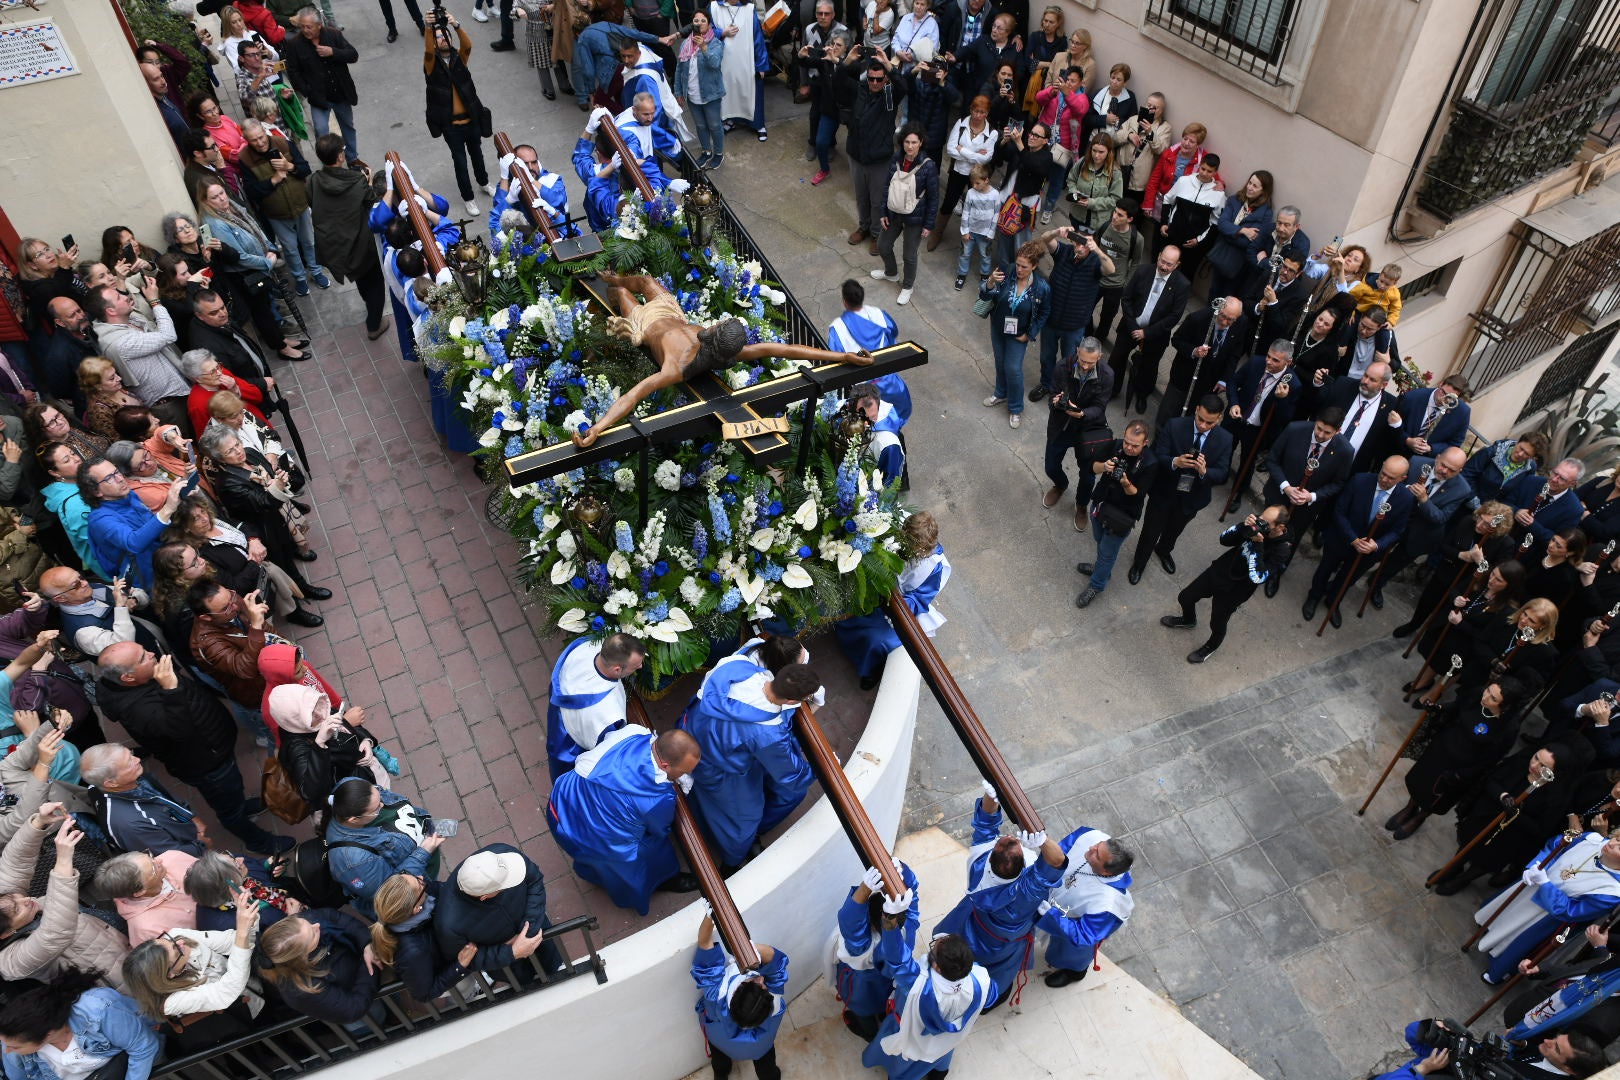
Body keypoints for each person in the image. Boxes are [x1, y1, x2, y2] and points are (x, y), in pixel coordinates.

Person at [572, 272, 872, 447]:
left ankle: (612, 285)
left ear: (710, 338)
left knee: (620, 292)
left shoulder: (675, 369)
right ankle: (616, 275)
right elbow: (781, 349)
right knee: (645, 280)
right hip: (671, 312)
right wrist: (843, 355)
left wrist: (598, 428)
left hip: (645, 322)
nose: (712, 324)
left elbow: (633, 395)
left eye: (714, 327)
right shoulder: (728, 352)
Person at [94, 643, 291, 856]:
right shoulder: (138, 709)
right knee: (227, 807)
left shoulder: (137, 681)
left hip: (214, 748)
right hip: (207, 763)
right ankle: (256, 841)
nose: (151, 654)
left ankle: (240, 805)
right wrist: (170, 689)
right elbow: (180, 730)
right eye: (142, 658)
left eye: (145, 650)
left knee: (232, 792)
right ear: (128, 678)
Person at [680, 652, 821, 870]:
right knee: (744, 819)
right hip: (718, 768)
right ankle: (732, 862)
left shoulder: (736, 665)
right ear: (793, 701)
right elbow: (791, 775)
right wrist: (819, 765)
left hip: (688, 736)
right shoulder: (768, 734)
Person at [934, 783, 1067, 1002]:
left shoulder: (979, 861)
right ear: (1023, 866)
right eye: (1014, 842)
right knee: (1001, 969)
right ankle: (995, 995)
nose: (1009, 835)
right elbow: (1057, 860)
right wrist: (1042, 841)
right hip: (1004, 942)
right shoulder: (1026, 892)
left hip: (974, 926)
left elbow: (985, 824)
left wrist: (991, 796)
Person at [548, 725, 702, 914]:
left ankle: (591, 872)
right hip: (599, 841)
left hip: (563, 805)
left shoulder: (634, 731)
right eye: (683, 771)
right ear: (665, 766)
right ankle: (655, 884)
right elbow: (659, 828)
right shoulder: (658, 798)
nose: (685, 775)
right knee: (649, 852)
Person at [119, 889, 264, 1049]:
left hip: (254, 994)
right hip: (232, 1024)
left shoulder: (176, 936)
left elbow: (234, 941)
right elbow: (226, 992)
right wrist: (243, 933)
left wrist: (248, 913)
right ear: (170, 974)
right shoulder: (170, 1002)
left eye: (167, 941)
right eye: (176, 950)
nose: (180, 943)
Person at [0, 809, 128, 989]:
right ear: (6, 933)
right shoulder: (10, 962)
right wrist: (63, 861)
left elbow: (14, 865)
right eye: (17, 910)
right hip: (121, 981)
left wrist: (38, 823)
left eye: (14, 896)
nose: (25, 899)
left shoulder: (6, 904)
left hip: (121, 943)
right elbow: (55, 932)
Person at [1474, 831, 1620, 985]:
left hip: (1546, 915)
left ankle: (1499, 969)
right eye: (1617, 839)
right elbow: (1554, 847)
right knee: (1506, 912)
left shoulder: (1613, 891)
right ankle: (1487, 928)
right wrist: (1535, 866)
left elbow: (1572, 911)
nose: (1611, 843)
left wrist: (1545, 884)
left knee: (1518, 941)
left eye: (1619, 848)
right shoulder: (1592, 839)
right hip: (1531, 887)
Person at [1386, 680, 1524, 841]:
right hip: (1440, 750)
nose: (1485, 697)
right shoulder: (1477, 694)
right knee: (1420, 782)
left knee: (1436, 797)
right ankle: (1410, 808)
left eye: (1493, 699)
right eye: (1488, 691)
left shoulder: (1508, 728)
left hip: (1459, 769)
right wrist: (1439, 708)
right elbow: (1458, 706)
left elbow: (1489, 760)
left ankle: (1420, 817)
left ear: (1506, 706)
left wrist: (1461, 775)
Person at [1162, 505, 1292, 663]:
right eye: (1261, 517)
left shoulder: (1283, 549)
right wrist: (1241, 527)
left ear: (1280, 527)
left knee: (1217, 622)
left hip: (1236, 590)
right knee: (1185, 597)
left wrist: (1258, 545)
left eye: (1266, 522)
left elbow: (1258, 577)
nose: (1260, 522)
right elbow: (1224, 539)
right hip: (1221, 570)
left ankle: (1211, 646)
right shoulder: (1256, 524)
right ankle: (1189, 620)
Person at [833, 513, 949, 689]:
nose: (920, 554)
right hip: (876, 589)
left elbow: (920, 599)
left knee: (878, 640)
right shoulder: (892, 532)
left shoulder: (934, 566)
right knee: (849, 604)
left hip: (897, 606)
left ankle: (871, 671)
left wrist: (893, 601)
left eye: (923, 550)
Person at [1129, 394, 1232, 584]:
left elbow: (1222, 473)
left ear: (1219, 419)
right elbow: (1157, 455)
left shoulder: (1226, 439)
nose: (1202, 425)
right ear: (1196, 410)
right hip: (1164, 491)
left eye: (1209, 422)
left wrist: (1204, 471)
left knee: (1175, 530)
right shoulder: (1175, 425)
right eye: (1200, 419)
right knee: (1150, 530)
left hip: (1192, 498)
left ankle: (1163, 550)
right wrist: (1175, 462)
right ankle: (1139, 563)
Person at [1303, 455, 1415, 628]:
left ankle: (1333, 601)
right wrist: (1353, 539)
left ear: (1403, 479)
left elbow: (1397, 530)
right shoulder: (1360, 481)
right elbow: (1339, 511)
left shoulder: (1406, 498)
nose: (1384, 479)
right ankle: (1314, 596)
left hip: (1368, 551)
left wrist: (1376, 545)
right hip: (1341, 539)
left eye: (1391, 478)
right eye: (1383, 473)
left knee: (1348, 578)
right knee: (1324, 569)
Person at [0, 968, 161, 1080]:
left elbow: (143, 1048)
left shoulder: (98, 1011)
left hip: (131, 1068)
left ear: (48, 1034)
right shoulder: (12, 1039)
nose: (6, 1050)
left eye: (15, 1047)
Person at [1261, 408, 1352, 597]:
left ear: (1338, 430)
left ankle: (1276, 572)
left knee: (1290, 539)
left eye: (1327, 432)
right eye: (1318, 428)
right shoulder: (1295, 429)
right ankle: (1256, 559)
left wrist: (1312, 496)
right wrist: (1286, 487)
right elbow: (1272, 459)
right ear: (1315, 421)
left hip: (1306, 508)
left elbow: (1339, 483)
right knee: (1265, 529)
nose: (1320, 435)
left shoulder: (1345, 450)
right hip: (1278, 497)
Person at [434, 845, 562, 980]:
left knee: (552, 962)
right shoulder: (449, 924)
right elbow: (465, 959)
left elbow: (534, 880)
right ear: (484, 896)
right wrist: (511, 953)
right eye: (505, 884)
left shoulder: (504, 856)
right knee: (524, 982)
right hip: (508, 967)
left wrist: (528, 931)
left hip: (539, 935)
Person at [307, 138, 390, 343]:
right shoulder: (356, 181)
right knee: (375, 285)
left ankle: (370, 308)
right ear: (340, 156)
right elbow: (371, 202)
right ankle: (374, 325)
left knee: (362, 279)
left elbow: (313, 203)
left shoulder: (313, 181)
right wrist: (368, 181)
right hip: (359, 244)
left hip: (335, 245)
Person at [324, 780, 442, 918]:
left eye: (379, 794)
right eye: (376, 809)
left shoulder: (351, 787)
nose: (382, 804)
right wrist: (424, 851)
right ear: (354, 819)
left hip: (422, 867)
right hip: (416, 888)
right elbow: (392, 891)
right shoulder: (354, 861)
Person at [237, 120, 328, 299]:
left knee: (309, 241)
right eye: (254, 140)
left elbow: (305, 169)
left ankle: (316, 271)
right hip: (276, 214)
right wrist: (274, 180)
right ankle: (300, 277)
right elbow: (252, 191)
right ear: (246, 140)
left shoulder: (284, 144)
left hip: (300, 205)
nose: (260, 143)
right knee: (290, 249)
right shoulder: (245, 159)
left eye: (261, 137)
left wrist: (290, 167)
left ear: (265, 131)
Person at [693, 912, 789, 1080]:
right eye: (762, 985)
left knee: (720, 1060)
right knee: (766, 1066)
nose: (761, 977)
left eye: (757, 983)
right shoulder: (773, 1004)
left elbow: (704, 942)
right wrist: (751, 949)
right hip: (761, 1046)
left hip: (720, 1040)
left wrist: (711, 914)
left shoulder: (715, 993)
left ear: (739, 991)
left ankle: (721, 1075)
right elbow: (777, 962)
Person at [81, 283, 191, 428]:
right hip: (168, 406)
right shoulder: (121, 342)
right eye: (119, 297)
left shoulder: (128, 320)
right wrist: (155, 302)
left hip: (178, 395)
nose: (126, 297)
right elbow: (168, 336)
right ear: (111, 311)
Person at [832, 859, 920, 1040]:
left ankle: (869, 1033)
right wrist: (903, 871)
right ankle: (882, 1015)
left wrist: (865, 888)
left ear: (870, 923)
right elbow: (913, 895)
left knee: (862, 1011)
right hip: (888, 982)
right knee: (884, 1001)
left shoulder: (863, 949)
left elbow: (850, 924)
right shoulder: (908, 927)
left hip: (863, 987)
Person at [1037, 826, 1133, 987]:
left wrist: (1052, 916)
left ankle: (1075, 972)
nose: (1091, 847)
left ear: (1106, 872)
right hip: (1056, 901)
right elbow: (1058, 855)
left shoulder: (1107, 904)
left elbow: (1084, 935)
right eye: (1099, 845)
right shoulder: (1089, 836)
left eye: (1097, 854)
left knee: (1071, 952)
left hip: (1076, 921)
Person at [1075, 419, 1157, 608]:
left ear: (1145, 443)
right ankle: (1101, 570)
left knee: (1107, 553)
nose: (1128, 447)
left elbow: (1137, 496)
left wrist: (1125, 481)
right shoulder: (1116, 445)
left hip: (1121, 515)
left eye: (1134, 445)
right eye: (1127, 442)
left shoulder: (1150, 463)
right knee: (1099, 540)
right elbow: (1091, 467)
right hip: (1101, 502)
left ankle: (1097, 584)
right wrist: (1104, 466)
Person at [269, 686, 388, 813]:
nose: (321, 714)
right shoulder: (296, 748)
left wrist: (366, 740)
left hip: (366, 773)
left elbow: (348, 727)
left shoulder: (322, 709)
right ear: (295, 721)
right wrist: (319, 745)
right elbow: (312, 793)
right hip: (355, 795)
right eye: (310, 715)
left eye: (317, 704)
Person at [545, 632, 644, 781]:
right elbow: (606, 750)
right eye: (635, 667)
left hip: (559, 716)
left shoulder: (584, 647)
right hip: (572, 745)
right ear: (617, 669)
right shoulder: (609, 714)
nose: (641, 666)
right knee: (565, 776)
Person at [425, 14, 496, 219]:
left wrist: (455, 24)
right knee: (460, 162)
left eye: (445, 36)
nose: (442, 39)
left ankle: (483, 183)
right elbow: (428, 51)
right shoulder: (431, 64)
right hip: (451, 126)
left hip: (471, 120)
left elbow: (467, 45)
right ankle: (468, 198)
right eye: (438, 37)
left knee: (477, 155)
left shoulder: (459, 58)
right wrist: (429, 28)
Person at [254, 910, 379, 1024]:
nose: (317, 925)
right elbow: (353, 1009)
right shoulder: (302, 990)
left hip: (364, 969)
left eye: (307, 922)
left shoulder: (299, 928)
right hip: (363, 999)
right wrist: (368, 963)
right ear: (302, 955)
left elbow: (333, 916)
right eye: (313, 935)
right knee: (378, 1017)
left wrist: (367, 944)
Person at [368, 873, 478, 1003]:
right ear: (416, 909)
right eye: (419, 884)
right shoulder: (412, 953)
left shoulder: (421, 895)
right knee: (465, 986)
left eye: (406, 874)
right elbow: (424, 993)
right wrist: (459, 966)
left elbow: (443, 890)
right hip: (443, 971)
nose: (421, 877)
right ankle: (466, 999)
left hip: (443, 955)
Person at [82, 458, 185, 594]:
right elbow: (133, 543)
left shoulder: (128, 495)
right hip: (149, 580)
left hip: (168, 564)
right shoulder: (100, 520)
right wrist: (168, 508)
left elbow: (150, 524)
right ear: (96, 492)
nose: (119, 478)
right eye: (109, 478)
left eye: (117, 472)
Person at [1033, 225, 1112, 402]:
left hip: (1074, 325)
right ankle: (1046, 384)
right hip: (1051, 319)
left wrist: (1097, 250)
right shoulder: (1064, 252)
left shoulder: (1096, 262)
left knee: (1070, 362)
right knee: (1046, 357)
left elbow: (1111, 269)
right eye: (1078, 242)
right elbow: (1045, 238)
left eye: (1085, 244)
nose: (1080, 247)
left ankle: (1062, 392)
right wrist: (1056, 231)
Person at [1373, 1019, 1605, 1079]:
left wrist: (1422, 1070)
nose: (1548, 1042)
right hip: (1453, 1064)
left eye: (1556, 1049)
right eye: (1556, 1038)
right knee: (1420, 1031)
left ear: (1569, 1069)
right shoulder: (1542, 1048)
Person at [1039, 335, 1111, 527]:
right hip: (1061, 425)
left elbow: (1100, 407)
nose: (1085, 366)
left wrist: (1082, 414)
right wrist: (1056, 402)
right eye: (1082, 360)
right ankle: (1061, 485)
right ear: (1078, 352)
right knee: (1051, 466)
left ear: (1100, 357)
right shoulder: (1063, 366)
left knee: (1088, 477)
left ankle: (1081, 505)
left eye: (1090, 362)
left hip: (1088, 429)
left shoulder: (1107, 375)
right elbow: (1052, 394)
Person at [979, 241, 1050, 429]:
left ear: (1034, 266)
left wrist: (1030, 334)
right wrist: (990, 282)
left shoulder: (1041, 287)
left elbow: (1044, 313)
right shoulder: (1007, 271)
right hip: (998, 327)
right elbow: (986, 297)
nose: (1018, 269)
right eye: (1017, 264)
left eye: (1024, 266)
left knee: (1013, 369)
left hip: (1018, 334)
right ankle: (1000, 393)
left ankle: (1016, 408)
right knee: (1000, 362)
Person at [1110, 246, 1189, 414]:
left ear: (1177, 265)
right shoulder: (1143, 271)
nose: (1164, 266)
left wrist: (1147, 333)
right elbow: (1126, 299)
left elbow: (1174, 316)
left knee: (1149, 367)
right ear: (1159, 256)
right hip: (1131, 327)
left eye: (1169, 264)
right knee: (1117, 357)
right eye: (1162, 261)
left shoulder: (1182, 285)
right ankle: (1113, 389)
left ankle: (1141, 395)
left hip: (1156, 335)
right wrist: (1134, 327)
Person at [843, 54, 909, 254]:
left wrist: (890, 66)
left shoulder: (890, 94)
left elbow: (904, 87)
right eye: (871, 78)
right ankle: (863, 227)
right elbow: (839, 81)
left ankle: (875, 233)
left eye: (879, 79)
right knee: (861, 196)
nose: (874, 82)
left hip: (879, 159)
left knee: (877, 200)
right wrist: (846, 62)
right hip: (856, 154)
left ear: (885, 79)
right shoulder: (860, 90)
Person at [283, 7, 362, 165]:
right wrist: (307, 91)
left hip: (340, 94)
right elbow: (293, 71)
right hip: (319, 98)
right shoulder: (294, 44)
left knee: (348, 126)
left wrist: (333, 52)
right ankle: (328, 163)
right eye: (302, 26)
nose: (305, 30)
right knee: (321, 131)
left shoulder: (334, 35)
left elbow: (353, 55)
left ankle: (352, 158)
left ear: (319, 25)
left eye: (309, 26)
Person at [872, 127, 939, 307]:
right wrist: (883, 212)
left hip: (915, 217)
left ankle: (908, 286)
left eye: (914, 142)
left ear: (921, 143)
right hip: (894, 212)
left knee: (909, 255)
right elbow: (887, 185)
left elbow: (933, 198)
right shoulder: (896, 158)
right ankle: (891, 273)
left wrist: (928, 224)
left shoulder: (929, 166)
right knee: (883, 245)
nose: (910, 146)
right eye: (907, 142)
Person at [92, 848, 197, 947]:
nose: (160, 860)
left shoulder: (173, 857)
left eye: (151, 857)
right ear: (140, 892)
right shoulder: (146, 931)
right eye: (153, 868)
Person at [1205, 169, 1274, 302]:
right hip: (1221, 256)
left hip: (1238, 264)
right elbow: (1222, 224)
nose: (1250, 187)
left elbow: (1250, 242)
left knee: (1228, 298)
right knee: (1214, 292)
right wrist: (1243, 231)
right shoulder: (1235, 200)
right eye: (1250, 183)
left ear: (1263, 191)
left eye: (1255, 186)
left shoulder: (1266, 214)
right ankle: (1208, 320)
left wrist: (1229, 233)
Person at [711, 0, 769, 139]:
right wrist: (722, 32)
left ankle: (758, 124)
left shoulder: (749, 9)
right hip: (725, 61)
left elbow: (758, 37)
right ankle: (730, 120)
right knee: (729, 92)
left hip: (747, 60)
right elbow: (706, 30)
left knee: (752, 91)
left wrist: (761, 64)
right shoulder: (714, 8)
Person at [676, 13, 727, 169]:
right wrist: (678, 92)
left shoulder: (716, 44)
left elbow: (715, 64)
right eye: (695, 21)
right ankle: (706, 151)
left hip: (711, 95)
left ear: (709, 25)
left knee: (714, 125)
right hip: (692, 95)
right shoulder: (685, 44)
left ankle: (718, 154)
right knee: (700, 126)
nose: (699, 23)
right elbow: (679, 70)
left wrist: (704, 47)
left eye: (703, 21)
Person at [1397, 373, 1473, 459]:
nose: (1443, 398)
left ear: (1458, 398)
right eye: (1443, 392)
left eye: (1450, 397)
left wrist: (1431, 449)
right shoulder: (1413, 397)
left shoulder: (1462, 413)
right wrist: (1407, 440)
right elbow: (1393, 424)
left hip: (1425, 460)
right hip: (1397, 451)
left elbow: (1454, 444)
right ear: (1440, 384)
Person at [1462, 434, 1547, 505]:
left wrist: (1496, 515)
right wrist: (1476, 504)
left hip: (1491, 514)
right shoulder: (1492, 452)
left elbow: (1517, 494)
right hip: (1467, 502)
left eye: (1527, 454)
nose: (1520, 454)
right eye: (1521, 448)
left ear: (1532, 457)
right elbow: (1466, 475)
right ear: (1517, 442)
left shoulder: (1530, 468)